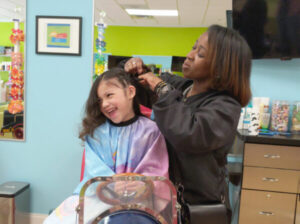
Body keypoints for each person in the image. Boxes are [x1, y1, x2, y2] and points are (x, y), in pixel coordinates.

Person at [122, 24, 252, 223]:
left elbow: (188, 133)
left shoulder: (226, 106)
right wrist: (133, 68)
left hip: (198, 208)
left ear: (220, 67)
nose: (189, 55)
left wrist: (160, 87)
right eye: (193, 47)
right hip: (166, 200)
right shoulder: (183, 87)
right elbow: (140, 90)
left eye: (200, 54)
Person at [44, 68, 169, 224]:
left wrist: (141, 184)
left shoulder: (151, 131)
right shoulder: (96, 135)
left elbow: (157, 172)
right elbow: (93, 175)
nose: (104, 104)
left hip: (139, 203)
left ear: (130, 92)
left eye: (109, 95)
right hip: (98, 200)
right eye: (100, 100)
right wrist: (108, 185)